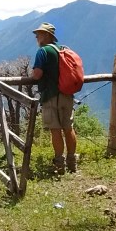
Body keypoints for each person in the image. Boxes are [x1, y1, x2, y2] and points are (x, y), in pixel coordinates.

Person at [31, 22, 78, 174]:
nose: (36, 37)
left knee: (55, 130)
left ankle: (60, 164)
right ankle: (72, 162)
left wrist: (31, 77)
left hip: (51, 96)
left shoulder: (43, 51)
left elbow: (37, 74)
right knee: (68, 127)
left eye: (38, 34)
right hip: (67, 94)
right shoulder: (64, 49)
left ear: (46, 35)